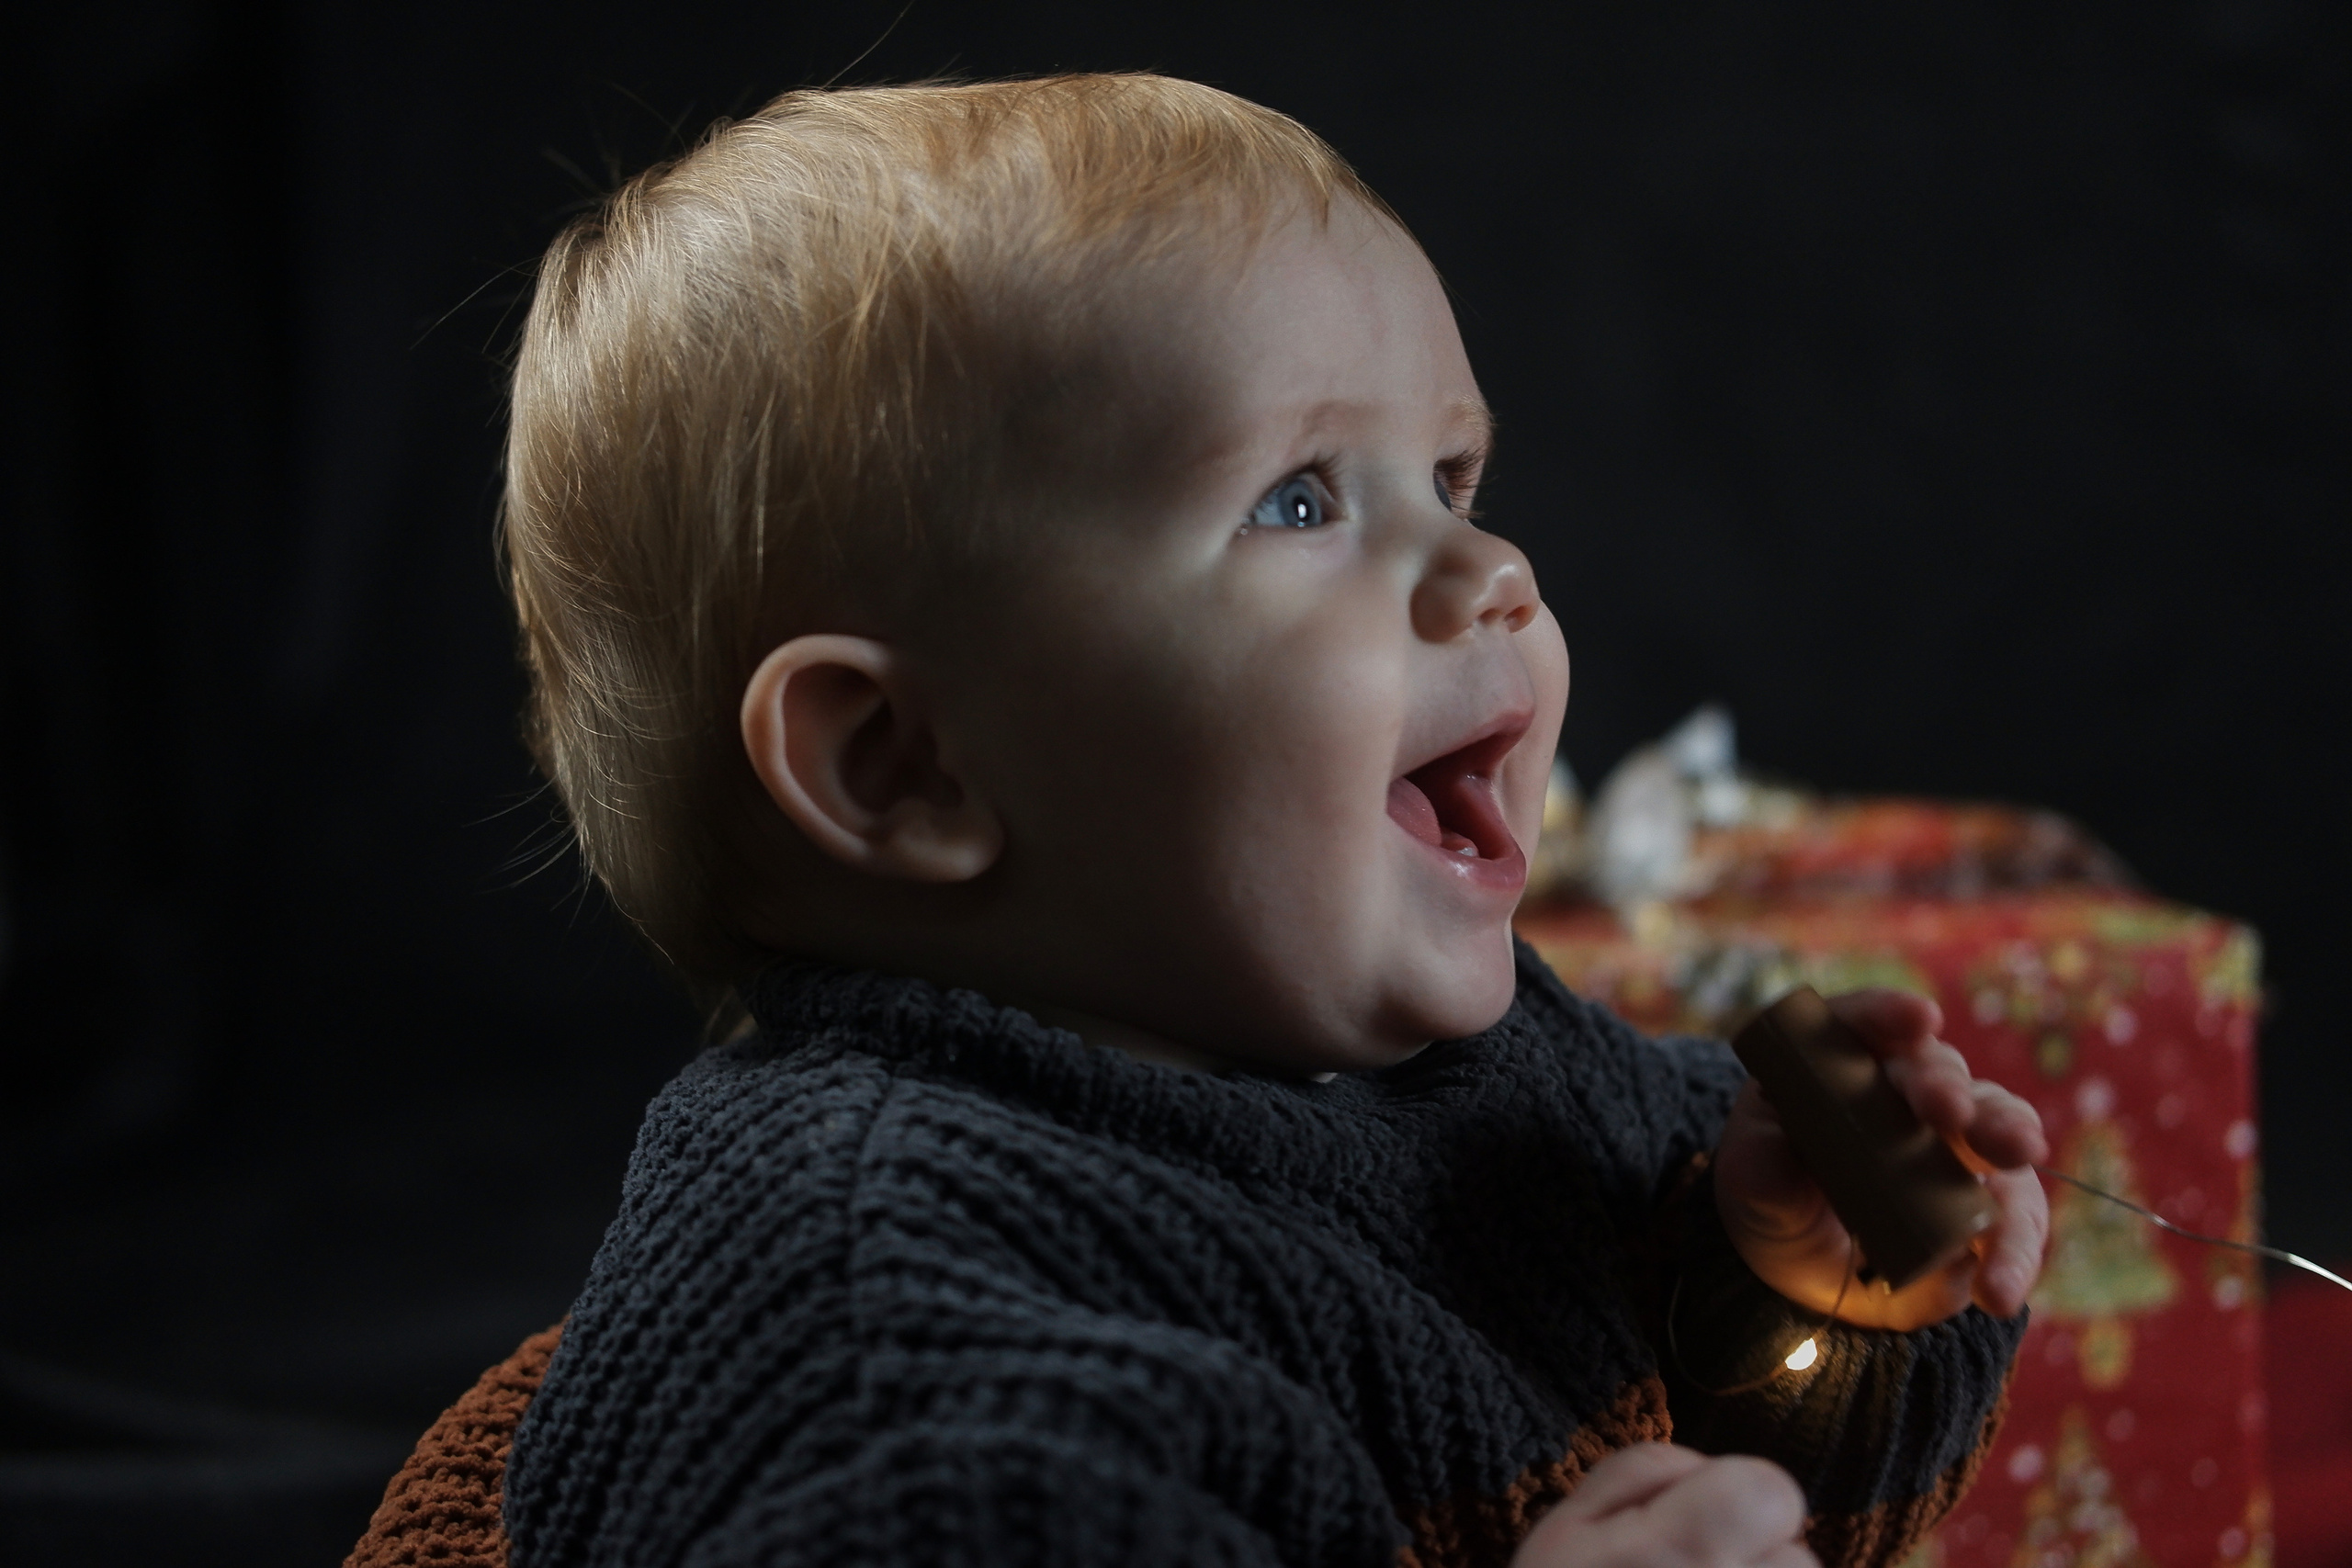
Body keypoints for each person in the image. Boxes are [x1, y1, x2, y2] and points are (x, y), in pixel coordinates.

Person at [492, 73, 2048, 1568]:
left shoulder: (1503, 1091)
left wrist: (1799, 1290)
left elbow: (1779, 1501)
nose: (1487, 568)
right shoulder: (882, 1335)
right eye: (1300, 499)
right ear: (906, 767)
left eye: (1450, 473)